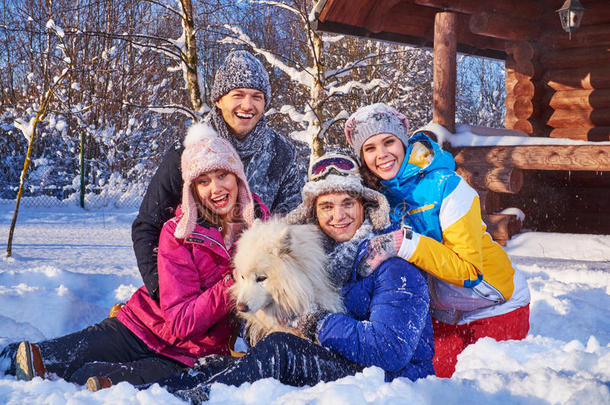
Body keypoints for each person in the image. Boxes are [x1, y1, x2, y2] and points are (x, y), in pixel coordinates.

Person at [0, 124, 270, 388]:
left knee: (105, 380)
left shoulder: (261, 228)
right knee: (38, 357)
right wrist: (233, 284)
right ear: (192, 189)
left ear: (238, 176)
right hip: (141, 327)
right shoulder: (178, 233)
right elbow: (181, 322)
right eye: (204, 181)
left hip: (189, 354)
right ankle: (7, 359)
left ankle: (87, 379)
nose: (216, 189)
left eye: (223, 175)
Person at [158, 152, 435, 403]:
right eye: (326, 206)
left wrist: (313, 322)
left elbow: (390, 350)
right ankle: (156, 393)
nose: (338, 216)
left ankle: (193, 400)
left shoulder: (394, 265)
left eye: (347, 203)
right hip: (346, 366)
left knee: (281, 350)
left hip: (388, 384)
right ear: (313, 212)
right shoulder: (317, 256)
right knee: (214, 364)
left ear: (365, 205)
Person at [343, 103, 531, 378]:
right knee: (430, 385)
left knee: (485, 389)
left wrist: (405, 244)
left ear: (404, 142)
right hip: (443, 313)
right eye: (369, 148)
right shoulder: (377, 195)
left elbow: (470, 271)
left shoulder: (448, 186)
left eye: (388, 142)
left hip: (494, 302)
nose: (381, 154)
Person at [132, 50, 304, 302]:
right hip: (191, 292)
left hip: (255, 294)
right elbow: (147, 226)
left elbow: (290, 225)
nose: (248, 105)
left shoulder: (282, 153)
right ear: (219, 100)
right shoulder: (188, 153)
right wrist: (164, 292)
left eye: (257, 97)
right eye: (238, 95)